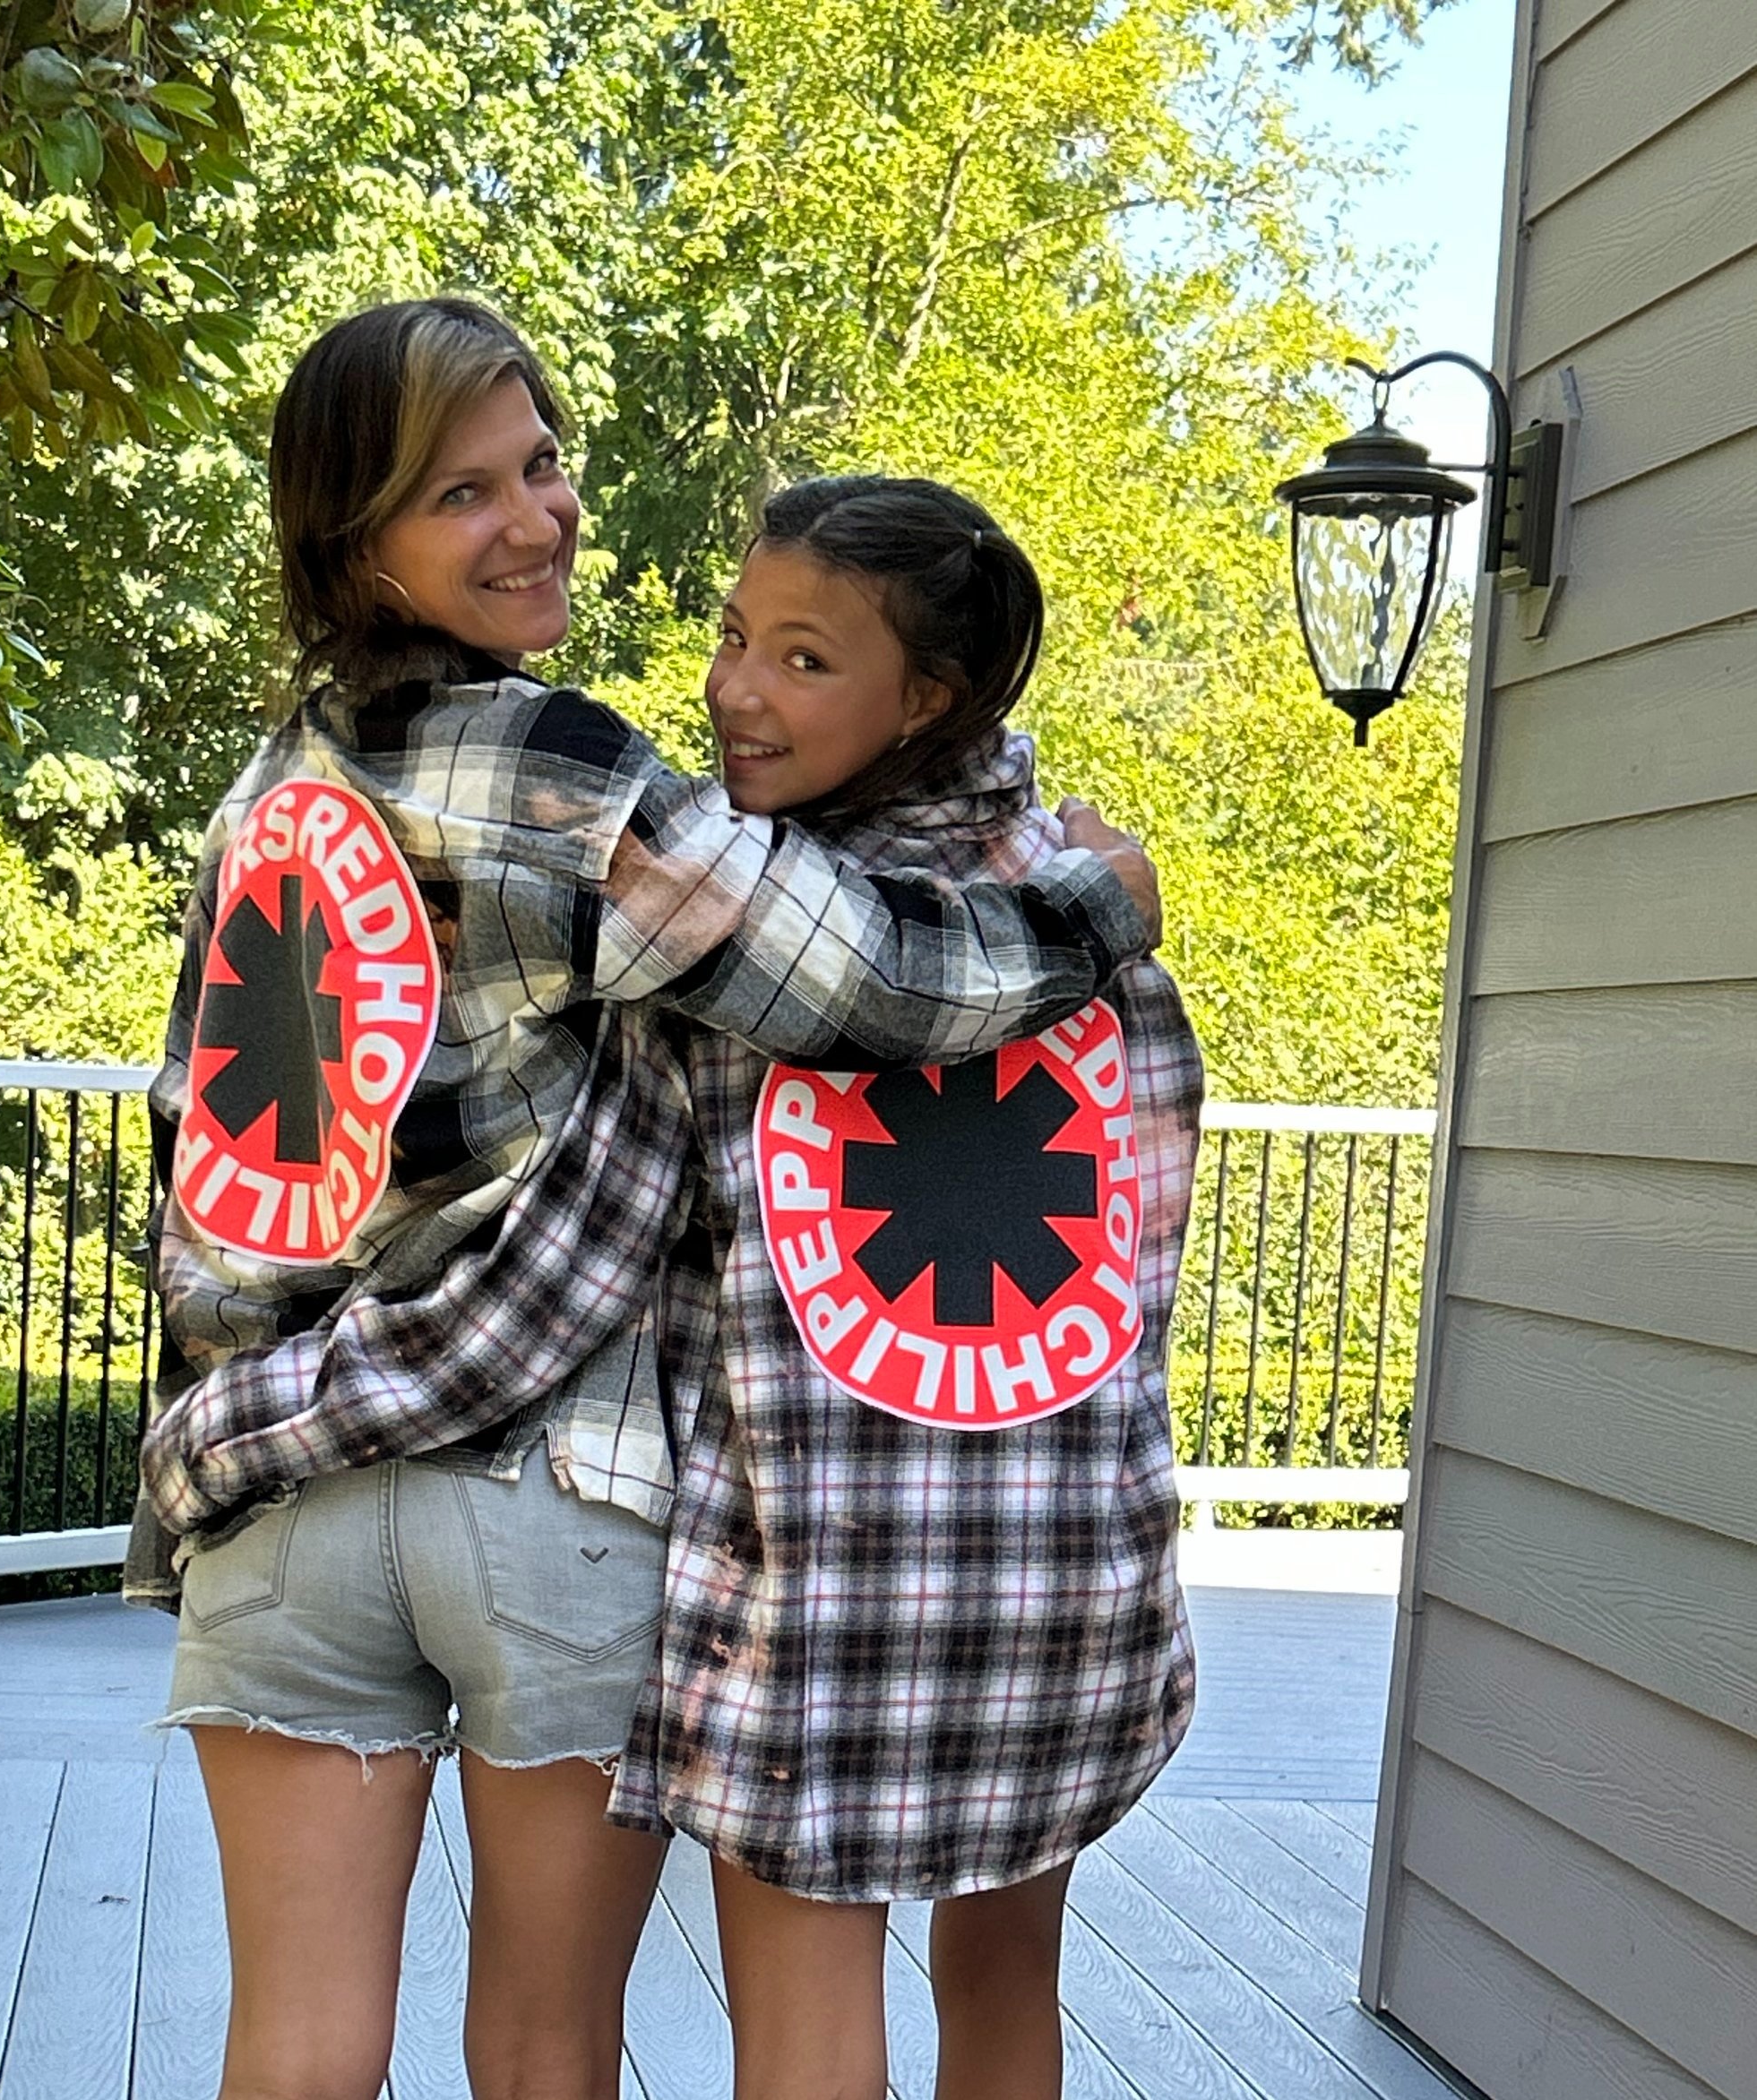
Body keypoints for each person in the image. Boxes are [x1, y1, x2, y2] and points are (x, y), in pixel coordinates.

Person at [127, 297, 1162, 2100]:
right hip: (550, 1469)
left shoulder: (263, 794)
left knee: (291, 2049)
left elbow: (214, 1146)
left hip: (276, 1469)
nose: (533, 517)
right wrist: (1092, 904)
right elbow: (862, 981)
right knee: (544, 2040)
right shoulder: (550, 760)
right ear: (351, 537)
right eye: (462, 493)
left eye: (537, 463)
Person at [610, 478, 1203, 2100]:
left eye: (803, 659)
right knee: (1010, 1986)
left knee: (805, 2040)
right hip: (1069, 1581)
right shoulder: (1098, 905)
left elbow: (643, 1255)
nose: (735, 688)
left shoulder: (745, 929)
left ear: (925, 697)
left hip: (821, 1591)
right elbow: (1139, 1247)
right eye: (736, 636)